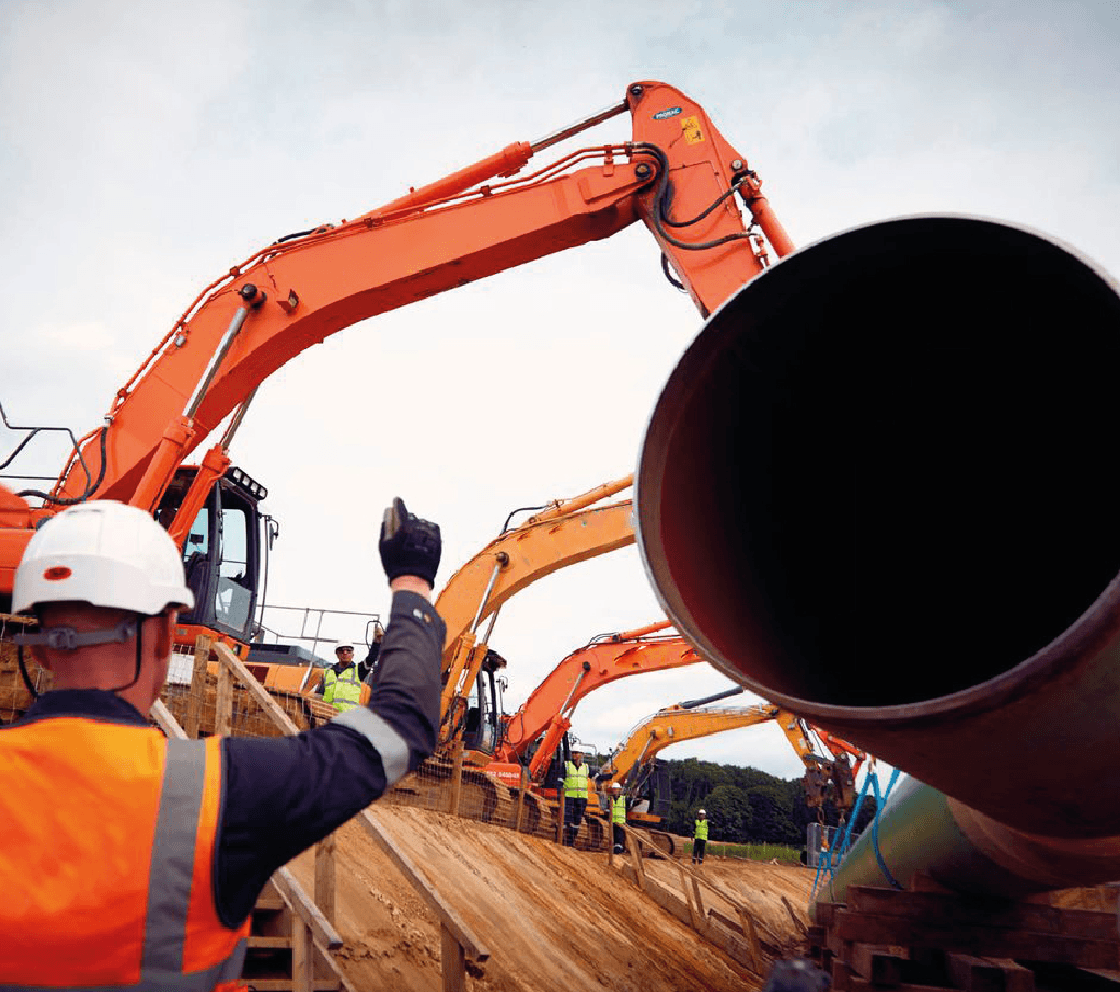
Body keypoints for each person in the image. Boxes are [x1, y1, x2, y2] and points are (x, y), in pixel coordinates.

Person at [0, 496, 443, 989]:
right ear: (166, 635)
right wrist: (412, 583)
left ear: (38, 650)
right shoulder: (222, 789)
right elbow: (400, 724)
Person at [319, 630, 381, 713]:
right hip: (326, 715)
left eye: (348, 651)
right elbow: (321, 695)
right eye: (341, 651)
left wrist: (376, 642)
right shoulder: (328, 672)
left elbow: (371, 658)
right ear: (336, 654)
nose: (345, 653)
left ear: (353, 655)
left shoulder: (358, 671)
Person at [562, 749, 590, 847]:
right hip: (569, 796)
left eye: (577, 753)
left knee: (577, 820)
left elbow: (597, 776)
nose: (575, 755)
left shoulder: (586, 767)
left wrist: (609, 775)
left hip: (582, 798)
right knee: (566, 818)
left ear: (582, 754)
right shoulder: (566, 765)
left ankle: (571, 841)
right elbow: (560, 779)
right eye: (573, 753)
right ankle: (562, 839)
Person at [609, 782, 627, 854]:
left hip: (620, 822)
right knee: (613, 837)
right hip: (613, 821)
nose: (615, 791)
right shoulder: (610, 799)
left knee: (619, 837)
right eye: (614, 789)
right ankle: (615, 850)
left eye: (617, 789)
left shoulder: (623, 799)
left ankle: (618, 850)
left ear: (619, 790)